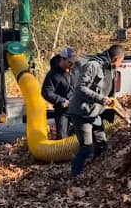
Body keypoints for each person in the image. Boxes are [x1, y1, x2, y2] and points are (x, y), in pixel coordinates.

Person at [67, 44, 125, 177]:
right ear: (116, 58)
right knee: (86, 147)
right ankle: (75, 175)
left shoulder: (110, 69)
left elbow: (110, 96)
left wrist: (123, 113)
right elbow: (81, 88)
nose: (121, 64)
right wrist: (101, 99)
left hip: (94, 112)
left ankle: (96, 170)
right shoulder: (93, 66)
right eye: (121, 61)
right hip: (81, 112)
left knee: (101, 143)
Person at [41, 48, 78, 140]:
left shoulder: (75, 70)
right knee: (62, 138)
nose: (72, 64)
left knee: (82, 135)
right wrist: (61, 100)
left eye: (73, 62)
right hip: (62, 111)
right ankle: (63, 153)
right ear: (62, 59)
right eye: (69, 62)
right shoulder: (53, 75)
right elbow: (46, 92)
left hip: (77, 109)